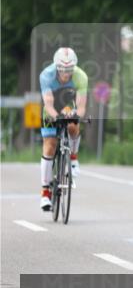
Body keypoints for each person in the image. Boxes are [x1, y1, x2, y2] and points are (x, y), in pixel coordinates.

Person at [39, 48, 88, 211]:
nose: (66, 73)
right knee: (50, 145)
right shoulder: (46, 75)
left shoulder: (81, 77)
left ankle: (73, 157)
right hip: (51, 107)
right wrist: (55, 116)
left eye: (69, 69)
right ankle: (45, 192)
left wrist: (75, 115)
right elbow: (48, 103)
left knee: (73, 124)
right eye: (62, 69)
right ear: (56, 67)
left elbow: (81, 107)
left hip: (68, 104)